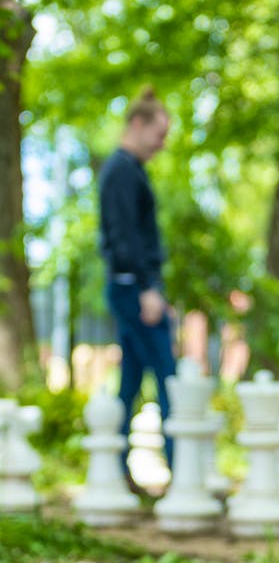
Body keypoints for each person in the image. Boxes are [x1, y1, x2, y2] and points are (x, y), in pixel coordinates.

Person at [99, 87, 176, 495]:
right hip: (133, 288)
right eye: (159, 134)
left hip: (137, 287)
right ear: (137, 124)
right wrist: (149, 289)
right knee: (169, 377)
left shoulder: (131, 170)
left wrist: (156, 289)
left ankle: (115, 471)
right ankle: (183, 471)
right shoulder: (122, 170)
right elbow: (125, 237)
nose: (162, 144)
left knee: (130, 381)